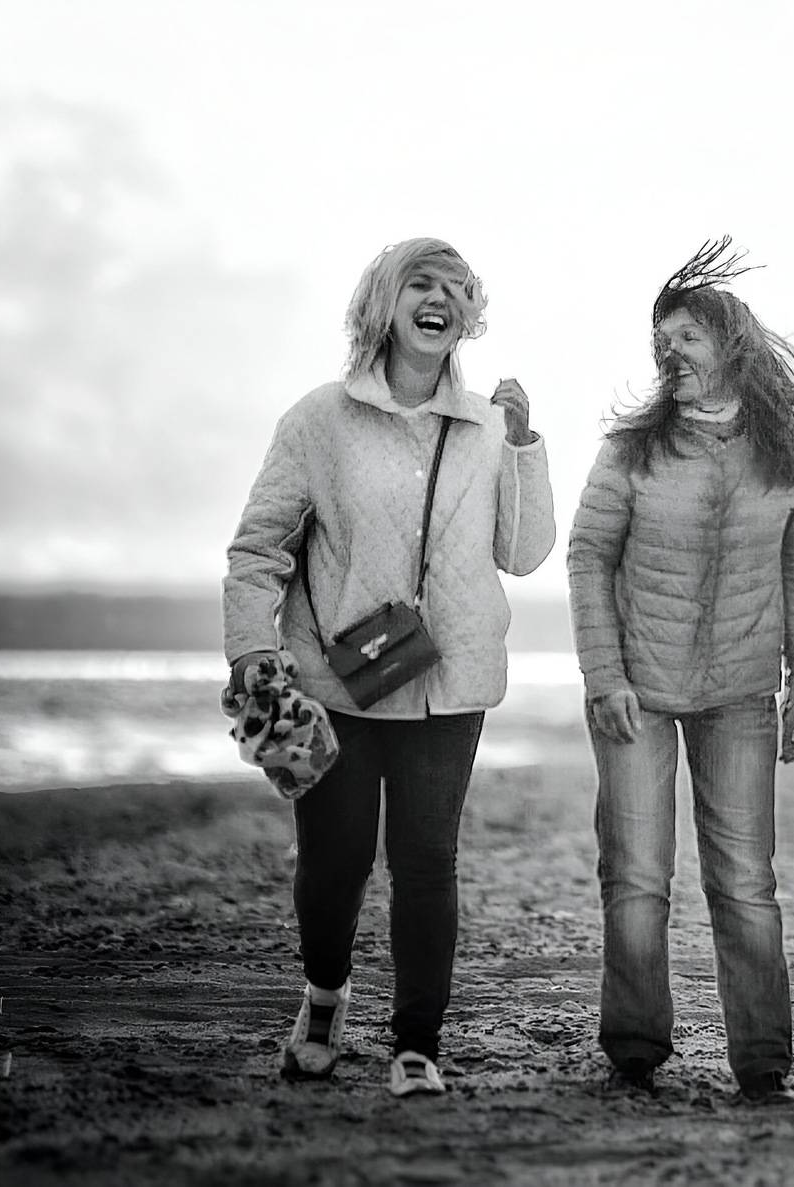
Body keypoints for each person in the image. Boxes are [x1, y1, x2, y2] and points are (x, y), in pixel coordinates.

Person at [223, 237, 556, 1097]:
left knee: (427, 860)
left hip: (451, 682)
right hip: (336, 680)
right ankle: (324, 996)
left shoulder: (485, 426)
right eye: (420, 282)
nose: (438, 298)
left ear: (469, 314)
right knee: (333, 863)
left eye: (455, 287)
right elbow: (258, 548)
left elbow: (522, 553)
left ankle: (417, 1043)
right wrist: (252, 648)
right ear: (384, 301)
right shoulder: (318, 420)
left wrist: (524, 444)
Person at [567, 238, 794, 1103]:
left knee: (746, 883)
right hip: (635, 691)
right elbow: (588, 557)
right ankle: (635, 1047)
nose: (669, 351)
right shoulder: (631, 448)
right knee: (638, 875)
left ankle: (763, 1062)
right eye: (662, 339)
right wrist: (603, 675)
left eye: (687, 336)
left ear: (731, 345)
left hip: (743, 693)